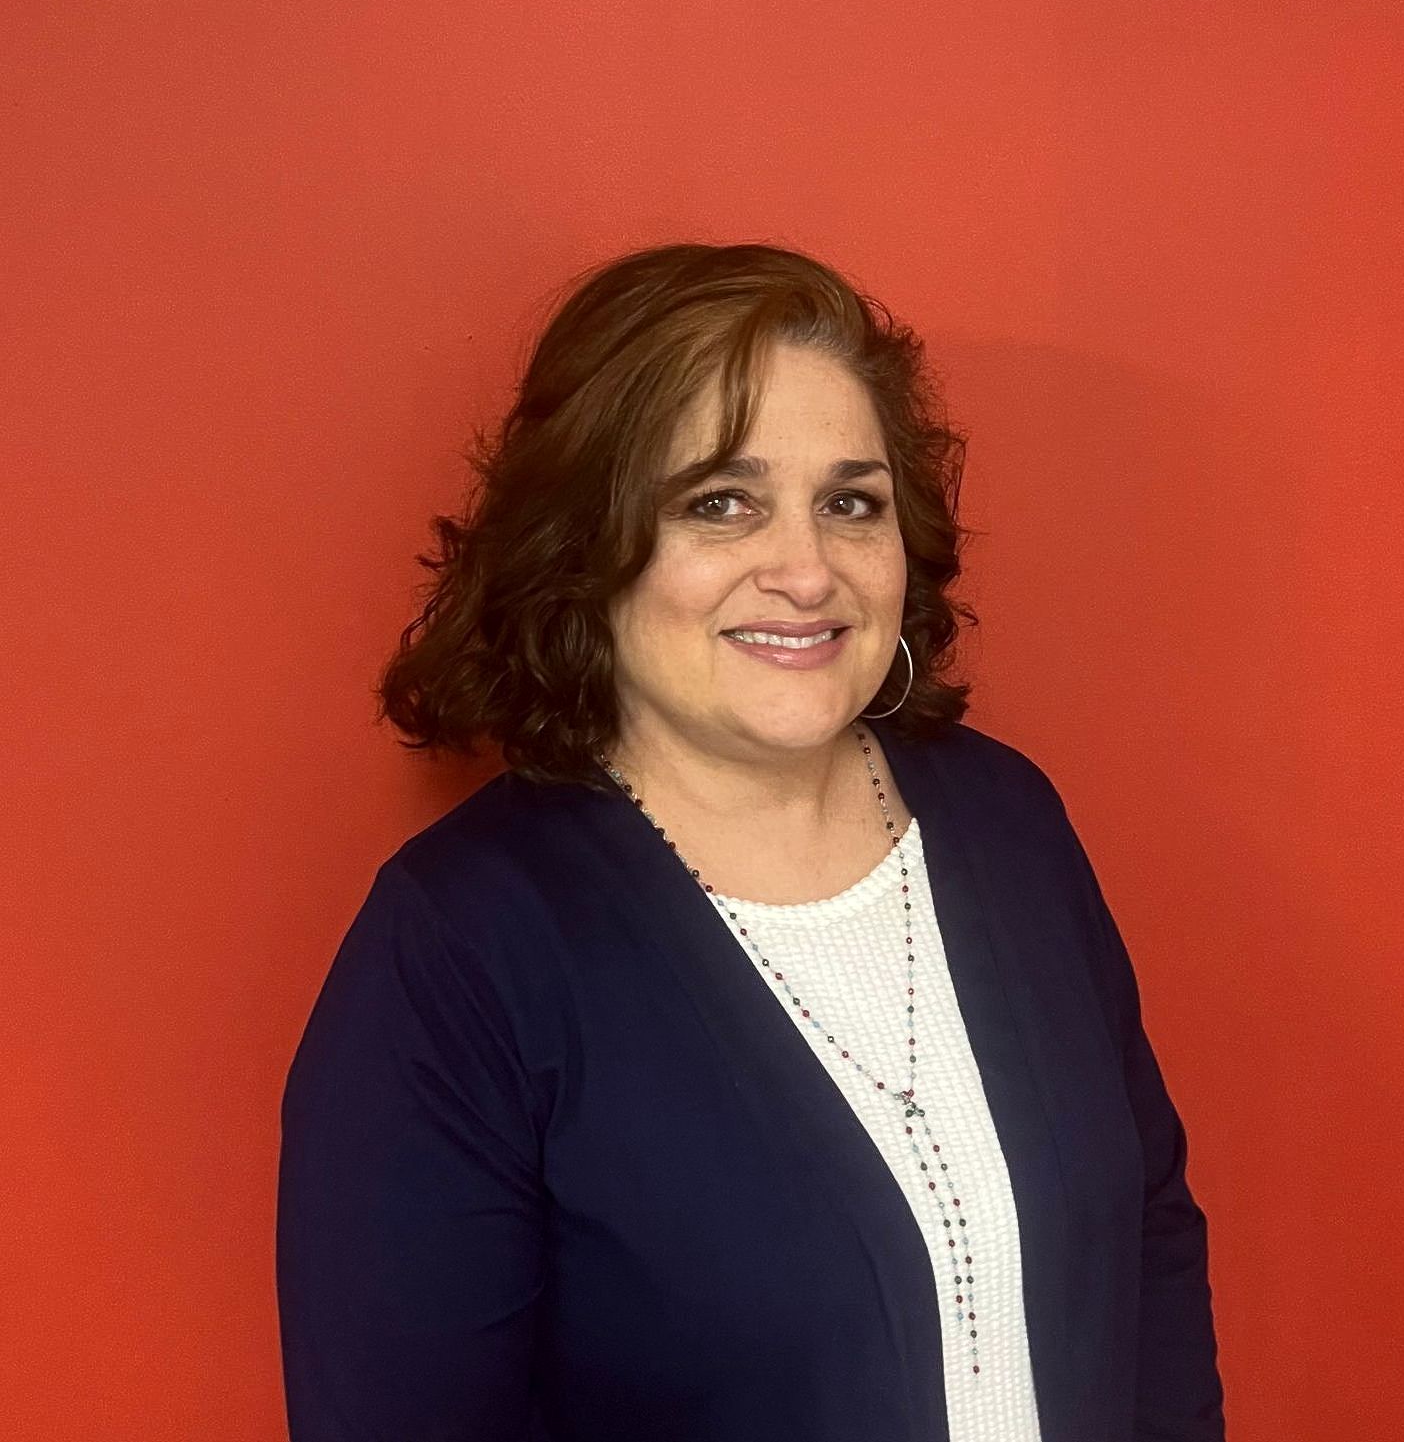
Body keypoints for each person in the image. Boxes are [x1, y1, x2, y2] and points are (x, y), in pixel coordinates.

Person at [275, 241, 1226, 1442]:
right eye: (720, 501)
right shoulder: (460, 948)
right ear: (585, 550)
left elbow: (1146, 1234)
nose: (806, 568)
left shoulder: (1005, 822)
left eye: (850, 501)